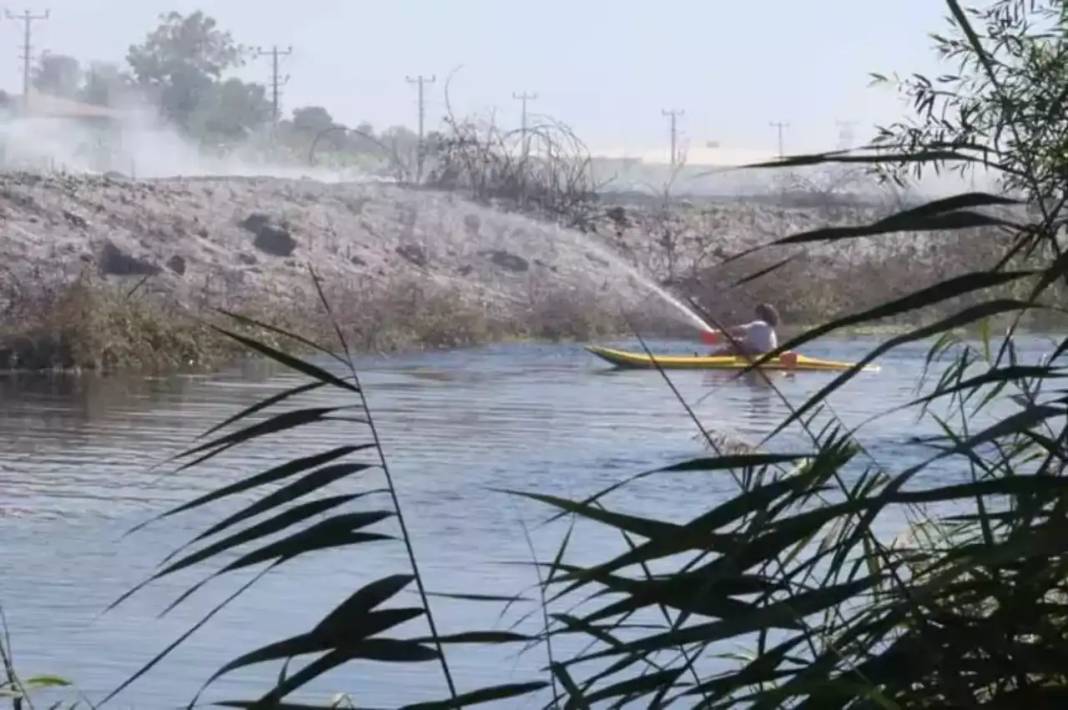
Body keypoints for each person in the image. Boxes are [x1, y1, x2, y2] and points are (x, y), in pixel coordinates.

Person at [704, 303, 780, 357]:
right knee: (736, 342)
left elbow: (736, 330)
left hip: (758, 353)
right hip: (767, 353)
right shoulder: (769, 327)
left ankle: (707, 360)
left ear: (761, 314)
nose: (755, 315)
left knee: (728, 348)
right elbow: (751, 341)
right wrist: (735, 340)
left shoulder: (759, 323)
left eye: (756, 313)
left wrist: (719, 332)